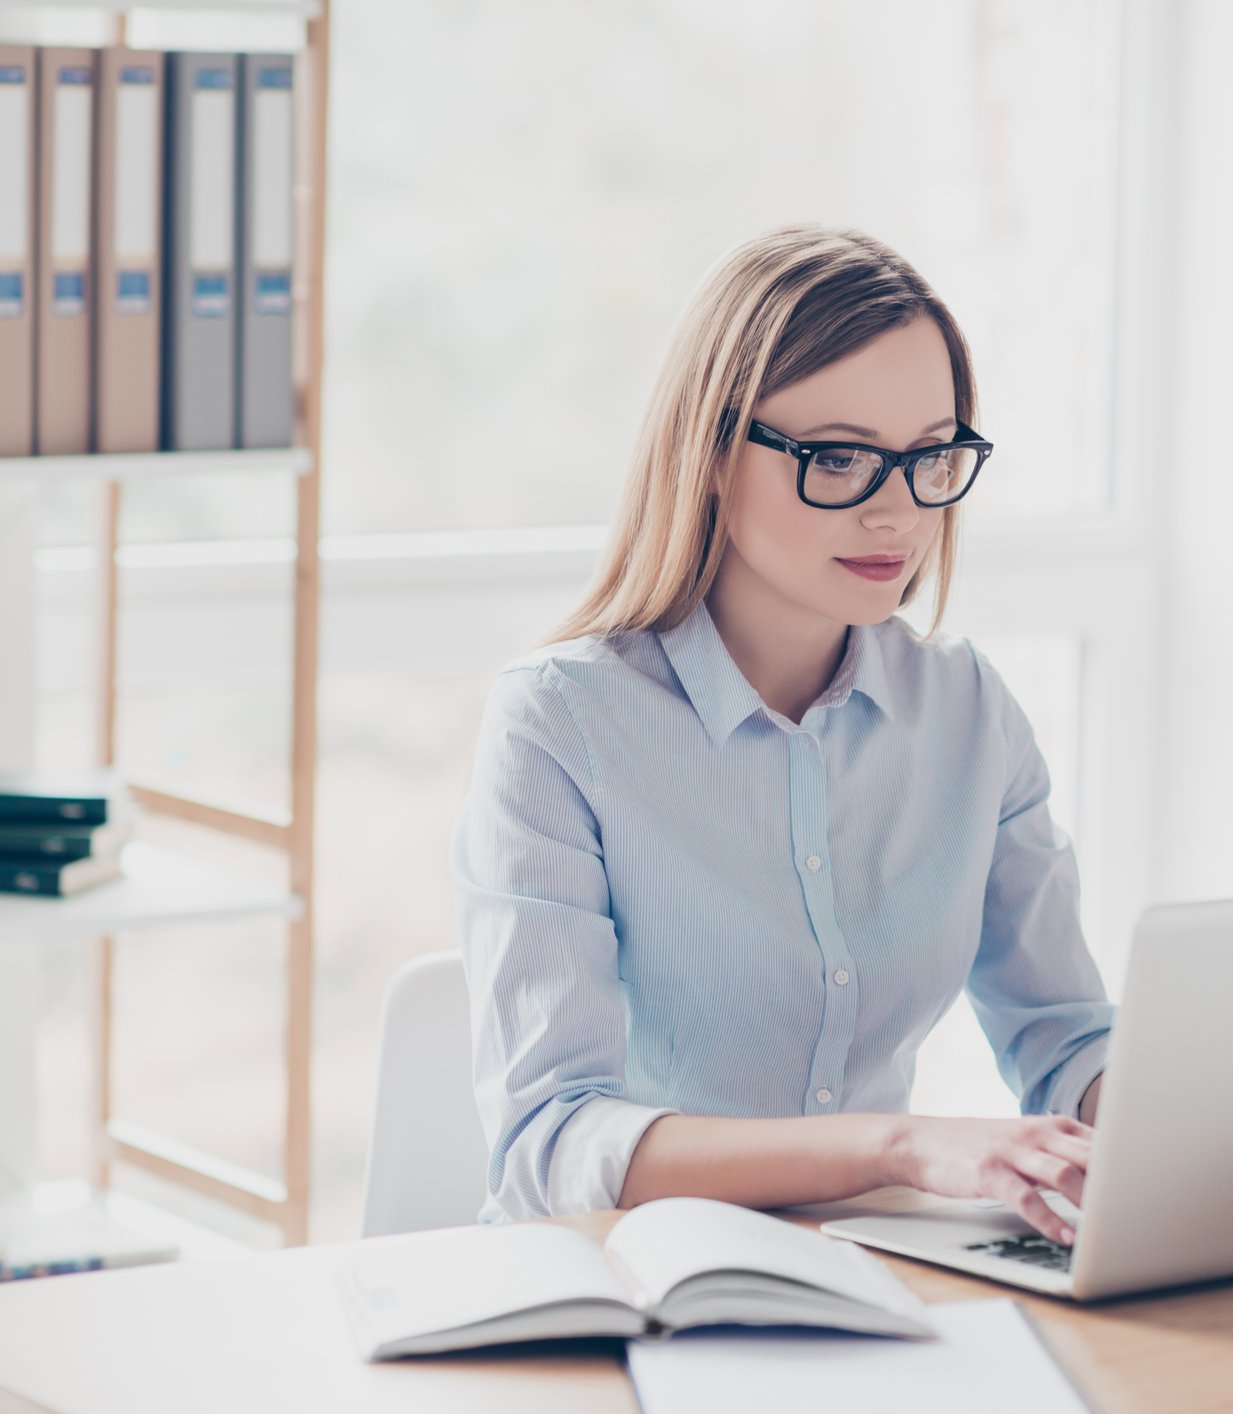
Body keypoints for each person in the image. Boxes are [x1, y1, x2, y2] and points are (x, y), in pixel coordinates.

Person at [451, 224, 1112, 1246]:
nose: (897, 511)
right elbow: (551, 1145)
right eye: (840, 458)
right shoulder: (559, 724)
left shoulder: (968, 711)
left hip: (883, 1270)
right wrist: (894, 1147)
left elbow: (1066, 1038)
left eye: (930, 455)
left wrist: (1206, 1133)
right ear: (712, 455)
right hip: (615, 1284)